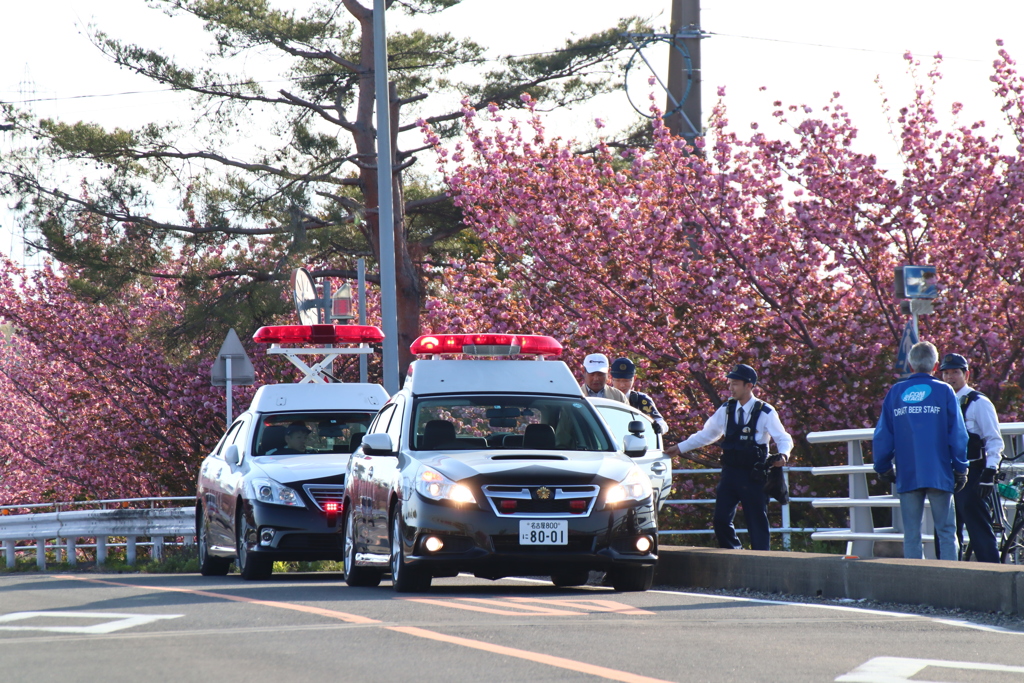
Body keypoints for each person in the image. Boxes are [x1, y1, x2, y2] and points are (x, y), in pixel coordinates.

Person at [664, 364, 793, 551]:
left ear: (749, 386)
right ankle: (735, 553)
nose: (731, 388)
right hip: (730, 473)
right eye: (730, 383)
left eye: (735, 384)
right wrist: (679, 448)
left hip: (754, 475)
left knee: (757, 522)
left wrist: (783, 454)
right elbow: (707, 434)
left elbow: (783, 437)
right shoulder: (726, 409)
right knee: (720, 520)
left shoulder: (765, 411)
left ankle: (761, 561)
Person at [872, 342, 969, 561]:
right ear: (936, 366)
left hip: (908, 470)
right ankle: (951, 579)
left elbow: (883, 435)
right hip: (939, 469)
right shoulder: (944, 391)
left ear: (910, 364)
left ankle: (914, 581)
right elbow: (958, 434)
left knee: (912, 533)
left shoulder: (896, 391)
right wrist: (961, 468)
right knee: (946, 531)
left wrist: (883, 466)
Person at [940, 353, 1002, 563]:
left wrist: (990, 471)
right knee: (945, 528)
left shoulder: (979, 402)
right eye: (946, 373)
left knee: (978, 527)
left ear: (966, 374)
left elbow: (994, 439)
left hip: (973, 472)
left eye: (955, 372)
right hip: (947, 473)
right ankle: (948, 575)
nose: (950, 377)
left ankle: (993, 575)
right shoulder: (941, 403)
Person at [609, 357, 669, 434]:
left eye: (626, 381)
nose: (622, 385)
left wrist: (659, 427)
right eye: (618, 380)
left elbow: (661, 422)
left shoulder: (641, 399)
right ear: (611, 378)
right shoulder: (604, 396)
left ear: (634, 378)